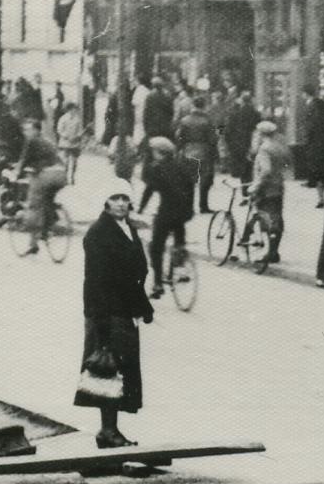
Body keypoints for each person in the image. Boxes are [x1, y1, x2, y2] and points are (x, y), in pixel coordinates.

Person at [77, 193, 156, 449]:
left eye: (124, 198)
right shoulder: (98, 233)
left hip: (124, 309)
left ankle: (110, 430)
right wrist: (101, 326)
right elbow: (96, 281)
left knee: (121, 372)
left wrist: (142, 306)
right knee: (108, 370)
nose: (121, 203)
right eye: (114, 198)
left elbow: (136, 273)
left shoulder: (127, 228)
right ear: (105, 202)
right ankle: (108, 431)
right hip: (107, 311)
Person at [138, 136, 196, 296]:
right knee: (179, 239)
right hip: (184, 213)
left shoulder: (156, 168)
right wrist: (190, 209)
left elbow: (149, 190)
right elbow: (191, 188)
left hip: (166, 213)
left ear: (158, 152)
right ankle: (181, 269)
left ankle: (157, 284)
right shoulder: (184, 166)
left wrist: (140, 209)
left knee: (156, 247)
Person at [15, 127, 68, 249]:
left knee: (34, 205)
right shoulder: (48, 141)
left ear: (35, 130)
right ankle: (47, 228)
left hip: (46, 175)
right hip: (60, 174)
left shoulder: (31, 142)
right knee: (48, 199)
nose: (26, 132)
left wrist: (16, 174)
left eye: (28, 129)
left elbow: (24, 160)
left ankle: (33, 244)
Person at [249, 118, 291, 265]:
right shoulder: (279, 146)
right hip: (278, 185)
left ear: (261, 134)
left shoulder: (264, 148)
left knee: (268, 220)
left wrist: (255, 186)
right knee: (277, 218)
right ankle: (274, 251)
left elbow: (266, 170)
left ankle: (271, 252)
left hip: (266, 189)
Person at [295, 84, 324, 206]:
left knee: (317, 169)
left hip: (316, 145)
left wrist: (306, 138)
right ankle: (322, 195)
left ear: (305, 93)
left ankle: (320, 196)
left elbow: (310, 126)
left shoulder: (311, 107)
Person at [175, 97, 219, 212]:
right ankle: (203, 206)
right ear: (204, 106)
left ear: (193, 105)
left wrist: (179, 150)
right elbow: (213, 139)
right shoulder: (208, 121)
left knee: (189, 181)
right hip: (204, 153)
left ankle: (188, 207)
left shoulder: (185, 120)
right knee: (205, 181)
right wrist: (215, 155)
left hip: (188, 152)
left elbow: (179, 137)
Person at [221, 90, 262, 181]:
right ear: (251, 101)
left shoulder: (234, 114)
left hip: (238, 144)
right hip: (252, 143)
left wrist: (229, 145)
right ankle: (250, 186)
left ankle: (244, 187)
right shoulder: (257, 114)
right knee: (252, 166)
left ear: (242, 101)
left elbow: (227, 131)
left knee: (242, 166)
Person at [55, 100, 85, 183]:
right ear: (68, 110)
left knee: (75, 162)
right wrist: (66, 136)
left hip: (75, 143)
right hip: (66, 143)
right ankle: (65, 177)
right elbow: (59, 129)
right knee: (66, 161)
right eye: (72, 109)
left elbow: (80, 130)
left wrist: (77, 136)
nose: (74, 111)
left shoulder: (77, 119)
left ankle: (72, 177)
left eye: (75, 109)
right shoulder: (63, 118)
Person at [143, 77, 176, 144]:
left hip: (152, 128)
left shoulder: (149, 96)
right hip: (165, 127)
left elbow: (146, 113)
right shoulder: (168, 95)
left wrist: (146, 127)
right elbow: (171, 112)